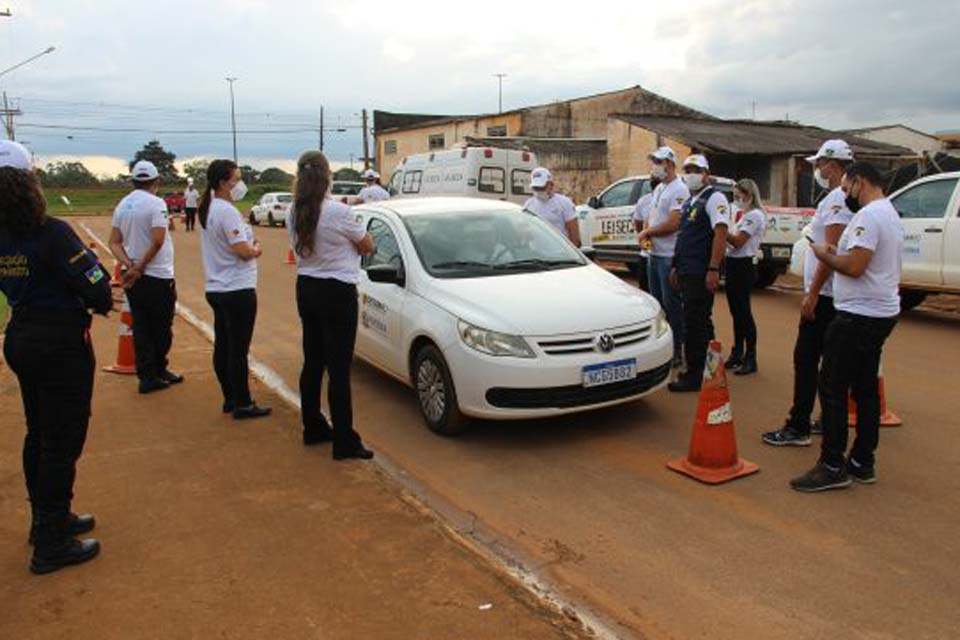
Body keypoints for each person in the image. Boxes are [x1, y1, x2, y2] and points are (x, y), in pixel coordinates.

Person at [0, 140, 112, 574]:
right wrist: (98, 291)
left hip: (23, 334)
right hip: (60, 342)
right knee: (62, 440)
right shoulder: (51, 231)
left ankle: (46, 518)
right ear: (31, 181)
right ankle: (50, 542)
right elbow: (96, 287)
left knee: (39, 432)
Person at [791, 162, 903, 492]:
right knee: (865, 388)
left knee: (833, 386)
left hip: (858, 315)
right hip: (879, 312)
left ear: (859, 182)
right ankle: (862, 460)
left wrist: (826, 254)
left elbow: (854, 266)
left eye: (847, 187)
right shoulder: (889, 213)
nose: (845, 193)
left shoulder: (868, 216)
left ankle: (831, 464)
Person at [763, 140, 854, 446]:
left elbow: (831, 249)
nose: (816, 170)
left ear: (833, 164)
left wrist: (813, 292)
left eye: (819, 164)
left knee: (807, 360)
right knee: (825, 363)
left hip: (827, 295)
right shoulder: (838, 197)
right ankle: (821, 420)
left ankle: (798, 425)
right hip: (831, 294)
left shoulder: (839, 200)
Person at [287, 150, 376, 460]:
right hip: (337, 291)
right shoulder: (338, 212)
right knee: (339, 368)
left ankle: (312, 426)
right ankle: (344, 440)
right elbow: (367, 245)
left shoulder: (294, 211)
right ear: (327, 177)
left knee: (313, 361)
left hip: (307, 287)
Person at [199, 159, 271, 420]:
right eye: (237, 179)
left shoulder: (208, 208)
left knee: (224, 345)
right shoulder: (225, 210)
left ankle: (230, 397)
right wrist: (256, 249)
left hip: (217, 286)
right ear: (223, 182)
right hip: (236, 288)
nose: (240, 184)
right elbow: (242, 251)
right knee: (238, 350)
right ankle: (242, 402)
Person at [109, 160, 182, 394]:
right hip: (156, 274)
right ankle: (154, 371)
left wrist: (128, 264)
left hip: (133, 276)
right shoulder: (157, 203)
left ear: (133, 181)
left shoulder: (123, 204)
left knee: (141, 326)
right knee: (161, 326)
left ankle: (151, 372)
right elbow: (158, 239)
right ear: (156, 181)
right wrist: (139, 266)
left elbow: (114, 241)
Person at [667, 154, 730, 392]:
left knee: (694, 323)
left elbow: (721, 233)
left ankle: (694, 375)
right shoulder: (690, 202)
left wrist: (713, 268)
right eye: (688, 169)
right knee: (700, 321)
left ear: (706, 174)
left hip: (700, 271)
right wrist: (675, 266)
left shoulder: (715, 198)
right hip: (685, 270)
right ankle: (711, 368)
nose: (691, 173)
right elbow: (683, 237)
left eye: (696, 169)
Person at [637, 147, 689, 368]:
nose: (655, 165)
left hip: (669, 256)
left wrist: (648, 232)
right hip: (654, 254)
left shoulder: (679, 189)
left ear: (669, 163)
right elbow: (652, 217)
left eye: (658, 161)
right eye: (654, 161)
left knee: (672, 305)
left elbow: (674, 223)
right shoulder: (659, 188)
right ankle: (663, 348)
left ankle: (677, 349)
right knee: (658, 305)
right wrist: (647, 235)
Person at [724, 179, 767, 375]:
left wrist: (720, 229)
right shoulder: (746, 215)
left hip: (743, 266)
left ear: (748, 194)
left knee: (744, 313)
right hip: (734, 265)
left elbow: (739, 242)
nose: (736, 200)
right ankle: (737, 352)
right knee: (736, 312)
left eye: (738, 195)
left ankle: (751, 357)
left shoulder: (754, 216)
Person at [522, 167, 581, 247]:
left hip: (559, 252)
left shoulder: (564, 203)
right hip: (537, 254)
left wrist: (573, 252)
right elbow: (525, 233)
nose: (539, 191)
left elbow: (573, 231)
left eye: (542, 188)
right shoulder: (528, 205)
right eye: (536, 188)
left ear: (550, 185)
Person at [632, 176, 660, 289]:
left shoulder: (672, 199)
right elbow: (639, 224)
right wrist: (646, 243)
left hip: (665, 256)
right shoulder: (644, 201)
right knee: (645, 291)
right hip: (647, 255)